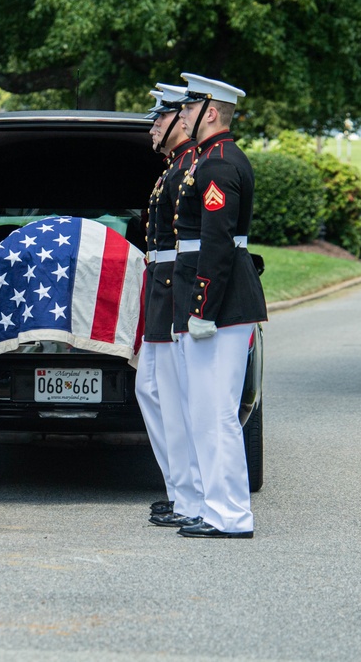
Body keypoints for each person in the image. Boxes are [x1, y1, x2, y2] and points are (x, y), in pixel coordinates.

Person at [171, 73, 267, 538]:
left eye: (189, 109)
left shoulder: (219, 164)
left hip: (221, 306)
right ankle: (218, 509)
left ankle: (231, 515)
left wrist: (202, 309)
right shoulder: (213, 159)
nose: (182, 116)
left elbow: (217, 243)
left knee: (217, 414)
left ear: (210, 112)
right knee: (207, 413)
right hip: (219, 303)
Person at [136, 83, 204, 529]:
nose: (154, 127)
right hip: (162, 288)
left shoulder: (189, 168)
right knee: (153, 391)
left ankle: (189, 496)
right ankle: (180, 490)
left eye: (161, 119)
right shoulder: (173, 170)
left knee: (177, 400)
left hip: (174, 289)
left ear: (182, 121)